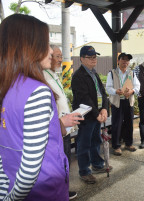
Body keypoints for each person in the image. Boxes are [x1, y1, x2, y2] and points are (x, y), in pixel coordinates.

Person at [0, 14, 68, 200]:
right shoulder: (37, 91)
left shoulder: (6, 87)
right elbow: (30, 169)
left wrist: (4, 192)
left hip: (13, 184)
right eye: (46, 44)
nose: (51, 52)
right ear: (29, 47)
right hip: (44, 191)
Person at [43, 45, 83, 200]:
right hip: (57, 127)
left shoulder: (53, 74)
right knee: (60, 162)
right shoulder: (42, 76)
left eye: (60, 56)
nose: (60, 59)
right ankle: (60, 192)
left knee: (65, 160)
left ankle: (64, 190)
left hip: (64, 125)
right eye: (56, 56)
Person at [71, 46, 111, 184]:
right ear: (82, 59)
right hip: (87, 116)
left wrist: (104, 109)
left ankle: (97, 165)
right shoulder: (78, 76)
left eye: (95, 57)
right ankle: (84, 171)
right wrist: (97, 114)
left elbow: (103, 94)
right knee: (84, 143)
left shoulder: (94, 73)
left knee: (96, 141)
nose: (94, 59)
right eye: (90, 57)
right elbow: (84, 98)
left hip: (97, 115)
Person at [106, 53, 140, 156]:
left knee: (129, 123)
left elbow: (138, 86)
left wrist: (132, 91)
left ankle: (128, 144)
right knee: (117, 124)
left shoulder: (131, 73)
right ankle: (116, 146)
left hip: (128, 101)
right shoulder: (112, 73)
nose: (125, 62)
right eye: (123, 60)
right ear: (118, 61)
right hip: (117, 102)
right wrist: (116, 91)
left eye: (127, 60)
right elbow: (108, 87)